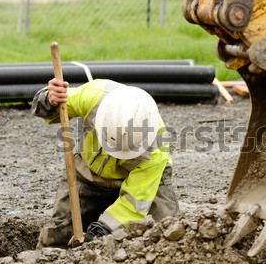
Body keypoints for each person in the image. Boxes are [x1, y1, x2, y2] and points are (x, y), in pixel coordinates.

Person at [32, 78, 179, 248]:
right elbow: (54, 108)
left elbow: (134, 205)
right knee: (58, 236)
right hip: (89, 173)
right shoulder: (95, 96)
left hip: (144, 184)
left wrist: (98, 233)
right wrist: (50, 99)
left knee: (166, 236)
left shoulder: (157, 150)